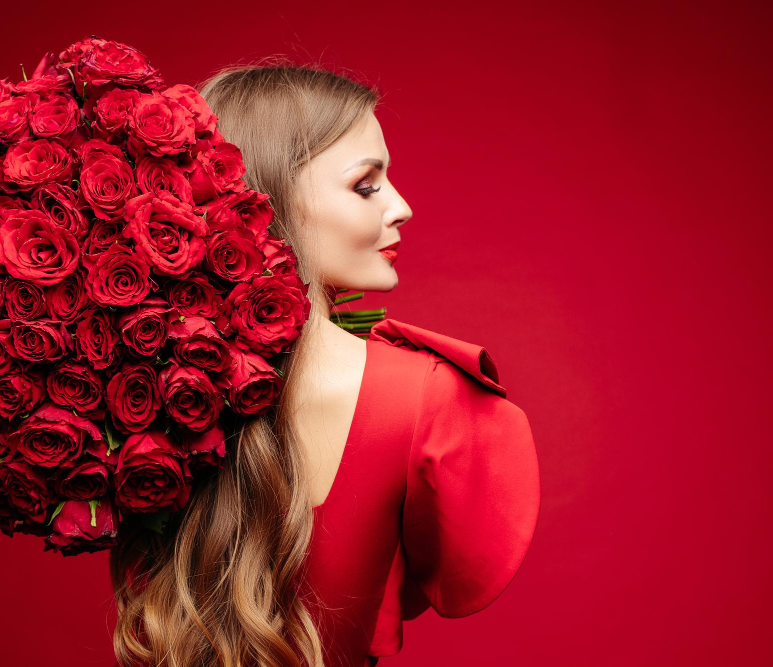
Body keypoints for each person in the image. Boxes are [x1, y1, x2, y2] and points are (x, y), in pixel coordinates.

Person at [107, 61, 541, 667]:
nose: (402, 207)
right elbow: (449, 574)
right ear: (267, 199)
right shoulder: (422, 396)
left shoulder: (134, 393)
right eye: (366, 184)